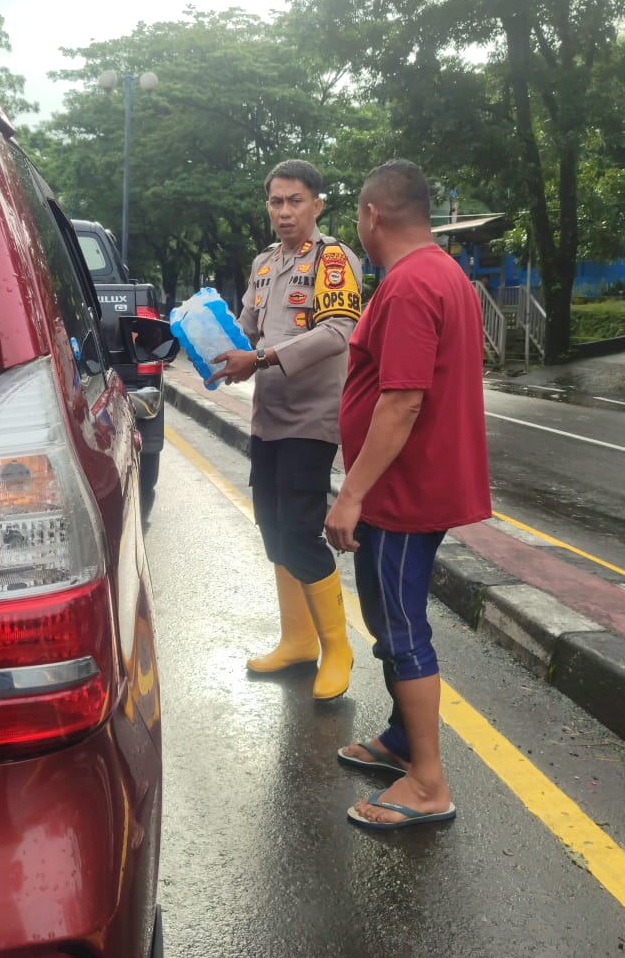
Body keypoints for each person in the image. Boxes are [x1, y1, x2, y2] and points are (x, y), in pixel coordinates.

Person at [325, 159, 492, 829]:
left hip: (401, 490)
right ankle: (401, 740)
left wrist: (350, 495)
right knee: (392, 618)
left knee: (401, 628)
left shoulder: (407, 286)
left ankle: (428, 781)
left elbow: (399, 402)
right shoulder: (443, 272)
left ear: (371, 215)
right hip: (414, 484)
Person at [209, 159, 363, 700]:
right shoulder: (265, 264)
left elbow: (338, 332)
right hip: (268, 418)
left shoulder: (334, 259)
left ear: (317, 204)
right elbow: (244, 329)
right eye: (275, 201)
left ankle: (337, 648)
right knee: (273, 530)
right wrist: (204, 337)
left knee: (300, 531)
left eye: (295, 200)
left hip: (311, 420)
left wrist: (263, 357)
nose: (283, 211)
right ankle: (297, 640)